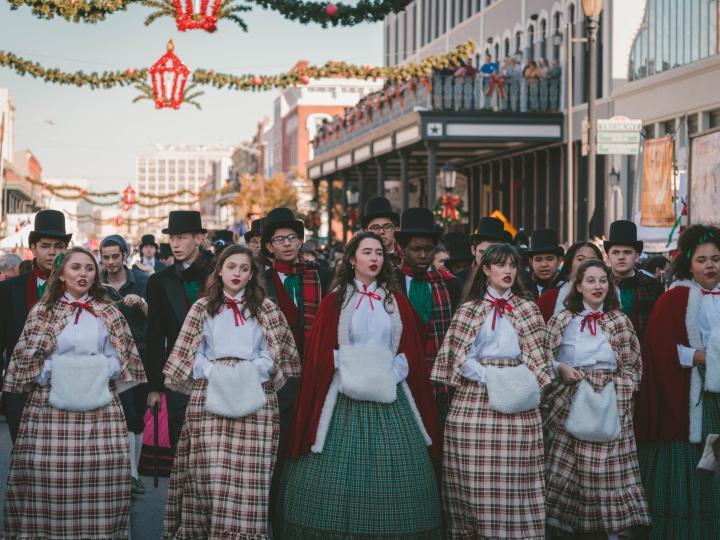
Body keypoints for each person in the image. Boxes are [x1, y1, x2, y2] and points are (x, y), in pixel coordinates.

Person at [281, 232, 442, 539]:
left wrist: (391, 370)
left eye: (379, 253)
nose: (374, 258)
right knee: (338, 470)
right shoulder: (335, 301)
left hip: (390, 396)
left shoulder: (395, 303)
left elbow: (408, 350)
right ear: (352, 258)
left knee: (396, 470)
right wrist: (350, 366)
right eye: (367, 252)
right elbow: (321, 354)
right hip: (344, 395)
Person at [3, 246, 145, 538]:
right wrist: (60, 370)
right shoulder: (42, 311)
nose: (83, 274)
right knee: (49, 480)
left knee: (100, 479)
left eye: (89, 268)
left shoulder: (109, 313)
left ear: (96, 275)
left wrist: (96, 370)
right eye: (76, 268)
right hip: (50, 410)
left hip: (100, 411)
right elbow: (29, 361)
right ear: (62, 274)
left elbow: (123, 359)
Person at [161, 245, 300, 538]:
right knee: (211, 474)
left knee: (250, 478)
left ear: (252, 275)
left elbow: (275, 353)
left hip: (255, 399)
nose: (237, 273)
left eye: (244, 268)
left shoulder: (266, 308)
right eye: (232, 267)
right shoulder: (202, 307)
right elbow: (190, 354)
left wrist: (249, 373)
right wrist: (215, 372)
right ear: (220, 270)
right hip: (210, 398)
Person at [432, 243, 551, 539]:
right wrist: (490, 376)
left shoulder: (527, 309)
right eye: (500, 265)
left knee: (514, 482)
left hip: (517, 400)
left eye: (512, 265)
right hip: (475, 400)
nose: (508, 271)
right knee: (476, 483)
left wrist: (512, 380)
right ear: (485, 270)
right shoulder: (469, 310)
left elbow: (538, 359)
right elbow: (457, 358)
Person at [543, 259, 650, 538]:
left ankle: (614, 532)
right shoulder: (561, 320)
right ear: (578, 285)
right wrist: (561, 370)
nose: (598, 286)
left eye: (603, 280)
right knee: (571, 470)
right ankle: (569, 530)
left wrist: (620, 391)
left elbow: (633, 365)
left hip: (610, 402)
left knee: (608, 472)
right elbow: (543, 360)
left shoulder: (619, 321)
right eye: (590, 280)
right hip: (570, 399)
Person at [634, 224, 720, 538]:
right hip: (693, 400)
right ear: (689, 263)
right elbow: (664, 350)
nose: (710, 265)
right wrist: (707, 358)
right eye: (702, 260)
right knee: (696, 465)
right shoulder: (675, 299)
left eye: (716, 258)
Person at [260, 206, 332, 535]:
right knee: (275, 451)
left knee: (308, 449)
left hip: (313, 373)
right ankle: (273, 519)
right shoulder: (258, 279)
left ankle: (304, 517)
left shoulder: (319, 275)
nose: (288, 243)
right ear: (268, 246)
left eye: (293, 237)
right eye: (280, 239)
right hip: (275, 378)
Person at [146, 210, 215, 448]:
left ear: (198, 238)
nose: (175, 244)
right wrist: (154, 387)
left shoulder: (220, 273)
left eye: (182, 237)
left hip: (217, 371)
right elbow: (154, 337)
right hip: (179, 374)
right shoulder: (159, 281)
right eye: (172, 238)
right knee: (181, 439)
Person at [0, 209, 70, 443]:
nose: (53, 252)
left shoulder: (78, 289)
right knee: (24, 458)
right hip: (20, 387)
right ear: (33, 248)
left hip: (67, 385)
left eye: (59, 246)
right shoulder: (10, 289)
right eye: (46, 245)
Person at [394, 208, 463, 419]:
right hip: (401, 376)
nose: (423, 255)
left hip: (440, 380)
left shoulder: (450, 284)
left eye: (428, 249)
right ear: (402, 249)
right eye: (416, 249)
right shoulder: (389, 283)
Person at [99, 234, 149, 495]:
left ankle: (134, 471)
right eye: (106, 257)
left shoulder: (141, 280)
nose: (110, 262)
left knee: (136, 414)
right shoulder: (98, 282)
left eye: (115, 256)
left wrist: (140, 302)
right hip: (109, 357)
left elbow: (157, 317)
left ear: (125, 255)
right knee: (119, 414)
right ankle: (122, 473)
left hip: (139, 354)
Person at [604, 220, 664, 342]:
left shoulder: (654, 287)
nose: (621, 257)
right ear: (608, 256)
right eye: (615, 252)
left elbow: (659, 329)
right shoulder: (599, 285)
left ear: (637, 255)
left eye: (627, 252)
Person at [538, 241, 604, 322]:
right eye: (580, 259)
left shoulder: (611, 298)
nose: (586, 264)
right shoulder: (549, 298)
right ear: (569, 264)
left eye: (592, 260)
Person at [362, 196, 402, 267]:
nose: (381, 231)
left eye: (387, 227)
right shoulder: (359, 261)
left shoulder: (407, 259)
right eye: (375, 227)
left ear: (396, 230)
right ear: (366, 231)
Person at [527, 228, 565, 300]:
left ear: (559, 261)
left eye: (549, 259)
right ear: (531, 262)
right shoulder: (522, 290)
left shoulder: (569, 290)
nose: (544, 264)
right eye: (538, 259)